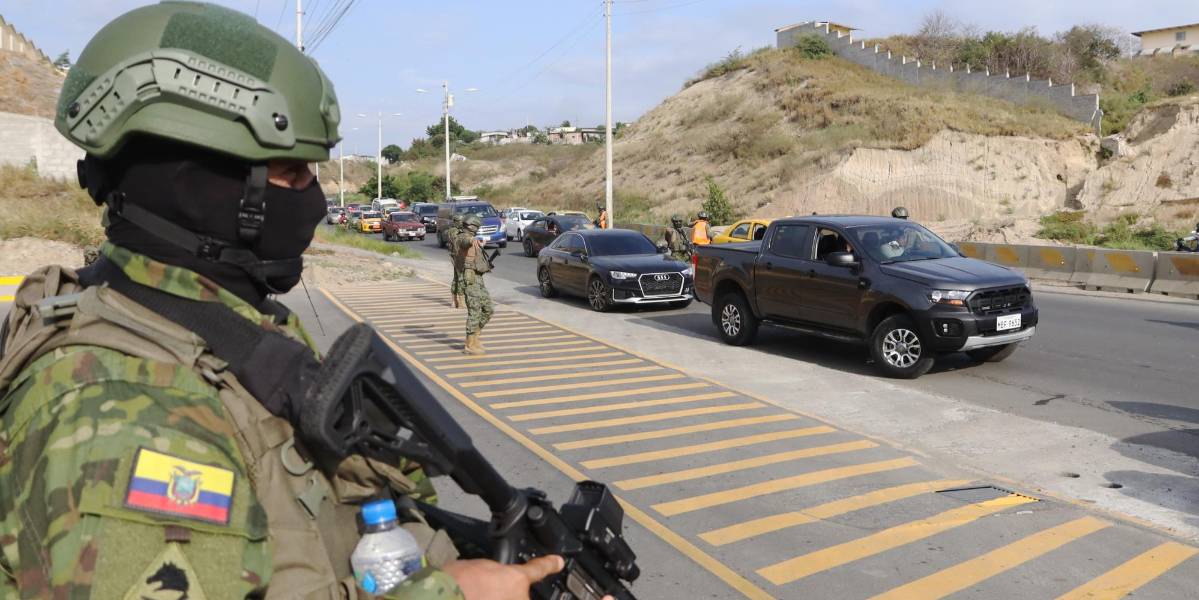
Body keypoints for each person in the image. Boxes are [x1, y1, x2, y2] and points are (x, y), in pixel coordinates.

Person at [0, 3, 563, 598]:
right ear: (196, 187)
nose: (314, 203)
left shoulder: (215, 329)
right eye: (292, 174)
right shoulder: (122, 405)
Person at [455, 215, 494, 356]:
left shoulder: (472, 238)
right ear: (472, 227)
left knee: (489, 309)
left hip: (478, 278)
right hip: (469, 279)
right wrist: (472, 240)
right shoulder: (463, 237)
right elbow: (465, 242)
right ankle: (470, 344)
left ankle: (475, 336)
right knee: (474, 310)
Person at [447, 212, 467, 309]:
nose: (462, 223)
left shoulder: (454, 230)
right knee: (461, 278)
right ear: (456, 222)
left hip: (455, 256)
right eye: (460, 221)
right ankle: (461, 302)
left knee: (456, 278)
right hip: (458, 257)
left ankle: (454, 301)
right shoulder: (455, 231)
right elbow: (458, 244)